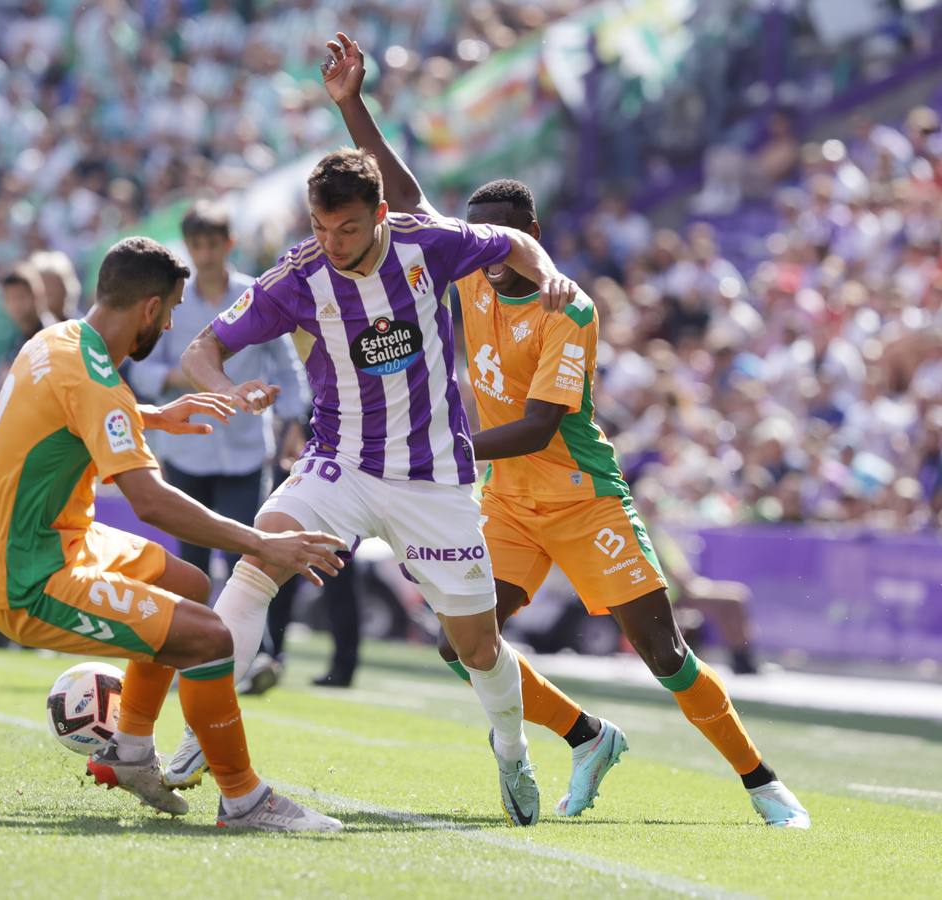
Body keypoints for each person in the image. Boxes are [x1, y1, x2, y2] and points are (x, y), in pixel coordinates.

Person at [321, 32, 808, 828]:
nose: (486, 259)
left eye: (502, 242)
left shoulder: (566, 305)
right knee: (458, 641)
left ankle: (761, 781)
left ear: (532, 232)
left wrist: (437, 447)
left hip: (582, 497)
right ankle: (586, 736)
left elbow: (541, 425)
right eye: (479, 244)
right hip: (508, 505)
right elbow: (405, 201)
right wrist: (352, 105)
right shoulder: (469, 276)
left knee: (664, 654)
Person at [164, 142, 582, 826]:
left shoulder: (429, 244)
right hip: (342, 464)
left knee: (476, 646)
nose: (331, 243)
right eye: (320, 228)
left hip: (435, 478)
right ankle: (201, 733)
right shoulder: (299, 275)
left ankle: (510, 747)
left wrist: (553, 274)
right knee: (261, 553)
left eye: (348, 229)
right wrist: (226, 390)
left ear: (380, 214)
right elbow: (200, 350)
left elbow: (509, 239)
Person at [0, 236, 344, 832]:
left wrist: (155, 415)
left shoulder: (60, 341)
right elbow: (151, 503)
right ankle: (245, 801)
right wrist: (261, 544)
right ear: (149, 308)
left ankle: (128, 747)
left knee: (190, 584)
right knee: (209, 637)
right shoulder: (94, 379)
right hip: (32, 577)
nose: (171, 324)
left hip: (60, 540)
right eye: (171, 311)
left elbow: (75, 408)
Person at [128, 200, 307, 587]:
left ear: (230, 244)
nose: (205, 255)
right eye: (197, 245)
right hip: (186, 448)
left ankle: (253, 646)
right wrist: (192, 376)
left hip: (245, 449)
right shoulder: (170, 299)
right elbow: (141, 369)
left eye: (213, 244)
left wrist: (293, 421)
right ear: (187, 247)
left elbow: (289, 368)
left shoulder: (256, 295)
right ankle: (201, 644)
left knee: (246, 556)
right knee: (192, 562)